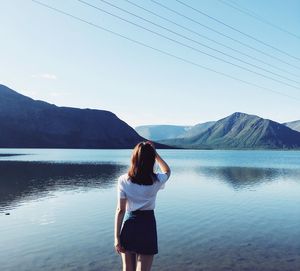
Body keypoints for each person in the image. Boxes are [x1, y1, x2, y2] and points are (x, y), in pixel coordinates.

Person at [114, 141, 171, 271]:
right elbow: (167, 170)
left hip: (130, 224)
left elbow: (120, 210)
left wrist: (117, 238)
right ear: (151, 160)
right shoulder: (156, 180)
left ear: (134, 159)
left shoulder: (123, 180)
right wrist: (155, 153)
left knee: (128, 269)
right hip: (147, 225)